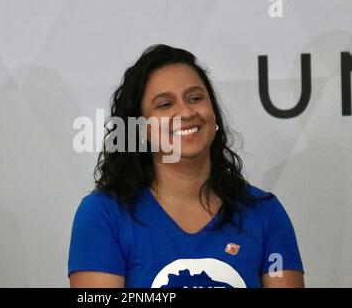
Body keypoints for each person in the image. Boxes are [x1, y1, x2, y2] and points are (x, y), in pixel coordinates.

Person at [68, 44, 304, 288]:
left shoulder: (265, 212)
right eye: (164, 104)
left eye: (195, 98)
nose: (186, 111)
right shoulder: (103, 214)